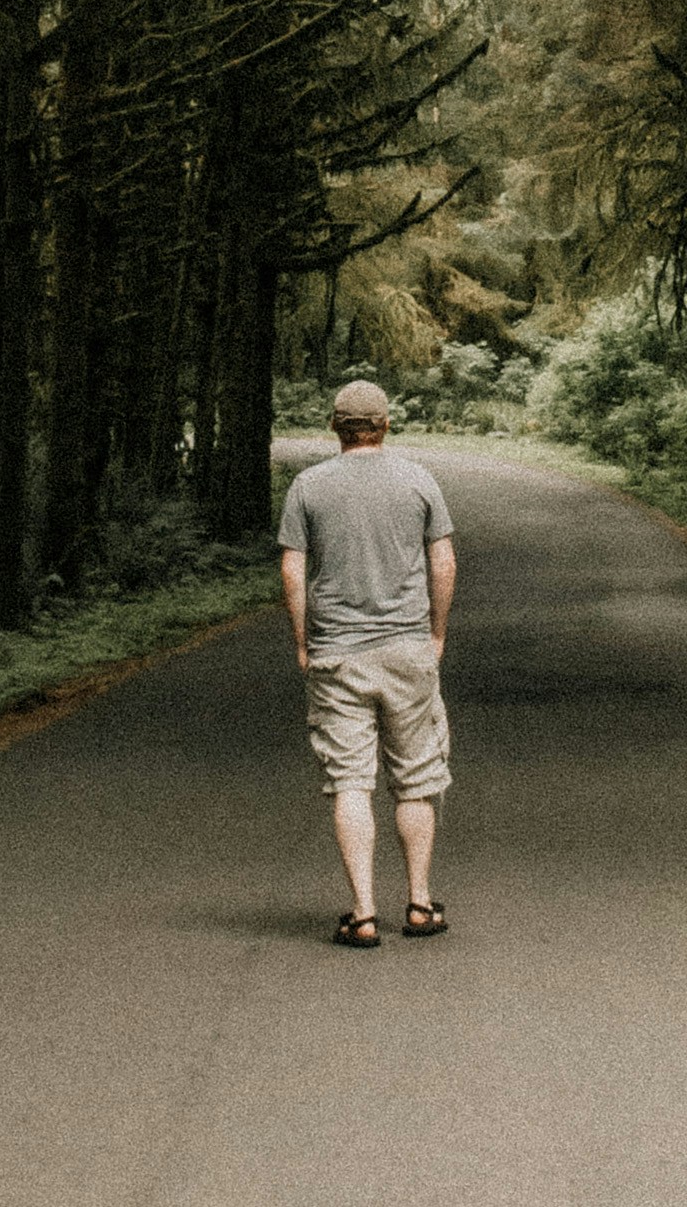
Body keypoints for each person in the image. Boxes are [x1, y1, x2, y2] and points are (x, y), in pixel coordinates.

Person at [277, 378, 455, 948]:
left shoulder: (309, 486)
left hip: (338, 655)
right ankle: (421, 904)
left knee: (350, 781)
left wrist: (305, 641)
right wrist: (435, 635)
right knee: (416, 778)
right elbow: (443, 561)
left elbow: (291, 569)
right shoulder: (419, 479)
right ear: (385, 423)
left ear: (336, 426)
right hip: (407, 650)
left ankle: (363, 912)